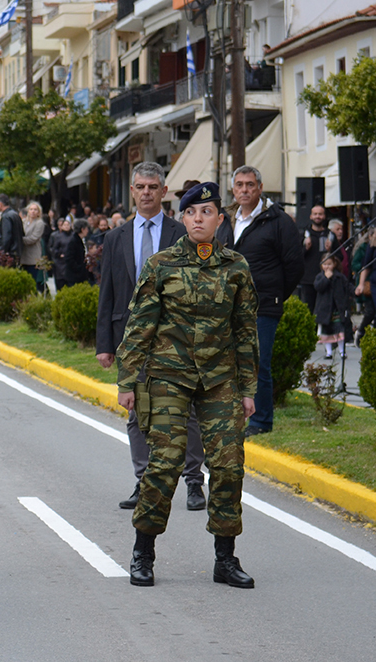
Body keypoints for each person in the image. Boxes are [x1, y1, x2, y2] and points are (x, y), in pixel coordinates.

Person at [117, 182, 259, 589]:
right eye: (192, 213)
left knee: (229, 466)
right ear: (182, 219)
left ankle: (225, 559)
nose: (199, 219)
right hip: (169, 376)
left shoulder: (236, 267)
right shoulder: (161, 265)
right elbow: (140, 325)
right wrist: (128, 380)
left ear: (219, 219)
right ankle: (143, 552)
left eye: (207, 212)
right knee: (165, 464)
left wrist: (248, 389)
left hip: (220, 379)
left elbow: (245, 331)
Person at [97, 164, 206, 512]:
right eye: (141, 186)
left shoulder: (182, 233)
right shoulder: (115, 238)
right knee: (137, 411)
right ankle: (144, 482)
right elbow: (107, 293)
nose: (146, 192)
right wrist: (105, 345)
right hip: (133, 340)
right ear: (132, 191)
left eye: (153, 187)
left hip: (178, 339)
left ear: (164, 191)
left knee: (187, 412)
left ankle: (193, 481)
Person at [214, 165, 302, 438]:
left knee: (257, 364)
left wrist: (274, 294)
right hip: (228, 305)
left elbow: (294, 266)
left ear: (260, 188)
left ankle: (261, 420)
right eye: (239, 185)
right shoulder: (225, 220)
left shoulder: (278, 221)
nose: (244, 190)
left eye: (250, 185)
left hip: (263, 305)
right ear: (233, 189)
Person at [298, 205, 335, 314]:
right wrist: (305, 248)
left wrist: (330, 250)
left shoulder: (330, 235)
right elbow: (296, 256)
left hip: (326, 278)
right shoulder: (303, 234)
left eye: (320, 214)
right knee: (309, 309)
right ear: (311, 216)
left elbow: (339, 257)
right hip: (308, 279)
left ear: (324, 216)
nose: (317, 216)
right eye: (315, 214)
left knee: (325, 309)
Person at [314, 253, 351, 358]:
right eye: (324, 264)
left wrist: (354, 291)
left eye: (329, 264)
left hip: (337, 308)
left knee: (339, 330)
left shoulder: (339, 277)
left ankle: (342, 351)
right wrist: (326, 278)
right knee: (326, 332)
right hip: (324, 309)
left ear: (334, 264)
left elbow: (347, 286)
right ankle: (329, 352)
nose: (327, 266)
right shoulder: (320, 276)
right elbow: (318, 287)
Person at [21, 202, 47, 293]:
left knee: (32, 281)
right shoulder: (24, 221)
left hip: (33, 256)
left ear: (39, 212)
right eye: (31, 209)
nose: (33, 211)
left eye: (35, 210)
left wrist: (20, 239)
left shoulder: (39, 223)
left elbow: (33, 239)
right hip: (23, 255)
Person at [0, 194, 23, 268]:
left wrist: (2, 252)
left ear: (0, 204)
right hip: (17, 251)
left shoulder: (6, 217)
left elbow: (6, 236)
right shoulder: (15, 214)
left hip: (9, 252)